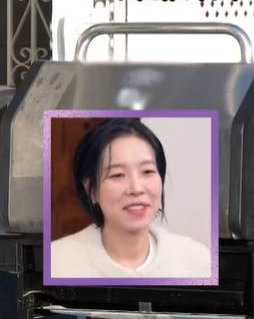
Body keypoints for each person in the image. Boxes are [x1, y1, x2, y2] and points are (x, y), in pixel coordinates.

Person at [50, 118, 211, 279]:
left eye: (147, 171)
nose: (136, 189)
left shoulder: (197, 262)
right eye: (118, 175)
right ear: (91, 190)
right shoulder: (57, 263)